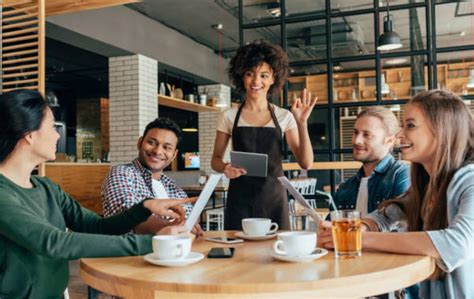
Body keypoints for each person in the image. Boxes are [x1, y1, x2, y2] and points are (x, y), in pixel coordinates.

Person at [0, 90, 193, 298]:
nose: (57, 134)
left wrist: (145, 207)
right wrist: (153, 243)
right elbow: (54, 242)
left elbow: (97, 226)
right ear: (29, 135)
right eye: (52, 126)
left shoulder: (47, 187)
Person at [319, 90, 474, 299]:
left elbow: (457, 243)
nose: (400, 135)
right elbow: (390, 212)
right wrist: (361, 226)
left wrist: (358, 238)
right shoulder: (428, 183)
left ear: (442, 130)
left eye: (410, 125)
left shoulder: (470, 180)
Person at [211, 40, 317, 230]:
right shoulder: (229, 116)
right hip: (239, 198)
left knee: (275, 254)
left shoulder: (284, 116)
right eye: (250, 73)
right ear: (242, 76)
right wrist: (226, 167)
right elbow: (215, 160)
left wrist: (302, 123)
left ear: (273, 78)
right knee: (239, 254)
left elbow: (306, 163)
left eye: (264, 75)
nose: (256, 81)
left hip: (273, 198)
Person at [102, 118, 202, 235]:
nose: (157, 151)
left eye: (167, 147)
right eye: (152, 143)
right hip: (134, 252)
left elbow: (188, 221)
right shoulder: (122, 173)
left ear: (174, 155)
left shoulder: (173, 187)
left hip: (176, 250)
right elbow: (127, 216)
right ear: (140, 143)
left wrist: (192, 226)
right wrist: (168, 228)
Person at [333, 107, 410, 216]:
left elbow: (401, 223)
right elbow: (331, 226)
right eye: (355, 133)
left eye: (366, 135)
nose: (356, 140)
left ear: (389, 140)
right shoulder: (346, 187)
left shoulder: (401, 174)